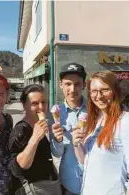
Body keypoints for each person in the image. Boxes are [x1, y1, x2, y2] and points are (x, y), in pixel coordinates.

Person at [72, 71, 129, 195]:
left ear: (115, 91)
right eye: (94, 91)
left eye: (105, 90)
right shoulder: (97, 120)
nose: (99, 96)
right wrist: (77, 144)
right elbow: (86, 161)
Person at [8, 84, 61, 195]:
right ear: (24, 105)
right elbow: (17, 169)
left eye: (44, 102)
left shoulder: (40, 125)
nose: (41, 107)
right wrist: (35, 138)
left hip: (48, 186)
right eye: (35, 103)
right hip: (33, 189)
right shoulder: (21, 130)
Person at [50, 63, 87, 195]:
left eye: (77, 84)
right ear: (61, 85)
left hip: (93, 181)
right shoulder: (56, 114)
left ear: (84, 85)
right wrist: (57, 139)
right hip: (69, 183)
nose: (72, 89)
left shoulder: (96, 111)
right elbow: (57, 154)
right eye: (68, 84)